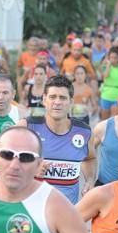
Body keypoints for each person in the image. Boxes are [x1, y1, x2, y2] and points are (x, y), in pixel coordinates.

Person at [21, 75, 95, 204]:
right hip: (32, 214)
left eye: (63, 98)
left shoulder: (84, 132)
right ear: (44, 99)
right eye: (52, 97)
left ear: (71, 101)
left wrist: (89, 180)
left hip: (65, 216)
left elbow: (90, 159)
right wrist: (30, 169)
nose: (57, 102)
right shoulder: (26, 127)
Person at [100, 46, 118, 120]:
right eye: (111, 57)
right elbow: (105, 76)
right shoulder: (105, 67)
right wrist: (108, 65)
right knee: (104, 120)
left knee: (114, 119)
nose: (113, 59)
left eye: (115, 57)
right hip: (106, 95)